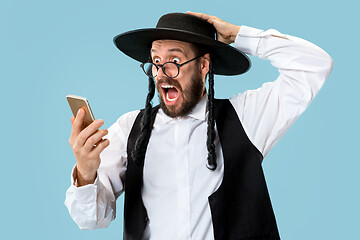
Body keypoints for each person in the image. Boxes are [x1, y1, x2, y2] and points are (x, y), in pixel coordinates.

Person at [65, 12, 333, 240]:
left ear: (204, 65)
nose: (161, 73)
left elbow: (314, 66)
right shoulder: (130, 129)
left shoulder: (247, 116)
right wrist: (86, 173)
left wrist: (239, 36)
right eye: (156, 61)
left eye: (175, 60)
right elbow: (91, 220)